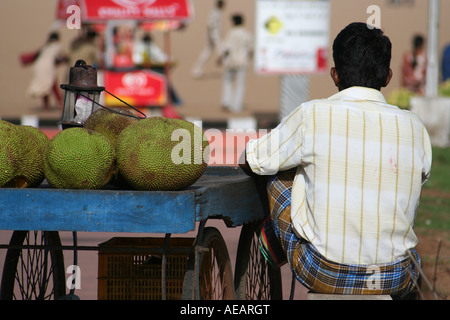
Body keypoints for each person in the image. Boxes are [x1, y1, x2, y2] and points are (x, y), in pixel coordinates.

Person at [240, 22, 432, 299]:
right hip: (394, 276)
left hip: (323, 271)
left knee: (277, 170)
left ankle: (275, 241)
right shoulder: (415, 127)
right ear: (388, 76)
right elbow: (420, 176)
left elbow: (255, 158)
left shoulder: (312, 114)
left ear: (335, 75)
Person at [220, 13, 253, 114]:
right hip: (242, 61)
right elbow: (251, 49)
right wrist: (249, 58)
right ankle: (237, 105)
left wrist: (220, 58)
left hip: (231, 61)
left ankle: (227, 102)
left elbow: (226, 48)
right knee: (240, 84)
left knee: (227, 81)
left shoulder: (231, 33)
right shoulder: (247, 33)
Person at [27, 32, 67, 111]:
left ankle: (46, 106)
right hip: (48, 67)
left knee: (44, 86)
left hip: (38, 67)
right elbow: (60, 58)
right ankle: (61, 104)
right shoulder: (57, 46)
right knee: (53, 85)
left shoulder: (45, 46)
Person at [191, 0, 225, 78]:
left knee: (207, 53)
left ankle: (197, 70)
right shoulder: (215, 13)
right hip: (214, 36)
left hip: (215, 36)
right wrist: (209, 37)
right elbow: (209, 25)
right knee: (223, 51)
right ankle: (227, 68)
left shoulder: (218, 13)